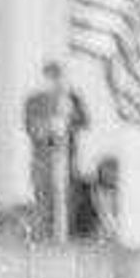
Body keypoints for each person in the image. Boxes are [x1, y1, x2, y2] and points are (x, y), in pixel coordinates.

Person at [22, 61, 91, 241]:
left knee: (67, 199)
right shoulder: (34, 101)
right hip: (43, 159)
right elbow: (32, 128)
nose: (53, 81)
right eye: (50, 77)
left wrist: (70, 114)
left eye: (57, 76)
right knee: (44, 200)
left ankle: (66, 238)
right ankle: (43, 240)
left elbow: (84, 122)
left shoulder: (71, 98)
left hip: (66, 159)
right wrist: (50, 125)